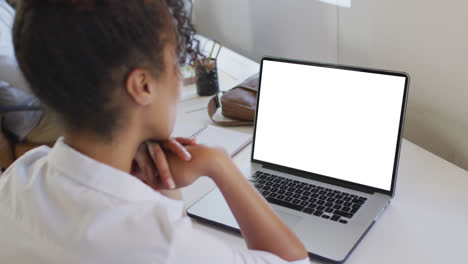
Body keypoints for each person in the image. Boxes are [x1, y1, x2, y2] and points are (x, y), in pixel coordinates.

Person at [0, 1, 309, 263]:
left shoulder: (16, 181)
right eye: (176, 64)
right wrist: (220, 165)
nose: (178, 78)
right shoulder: (158, 246)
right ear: (143, 86)